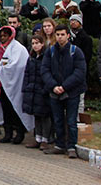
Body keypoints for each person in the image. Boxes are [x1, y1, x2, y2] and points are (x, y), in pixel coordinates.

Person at [41, 24, 87, 158]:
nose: (60, 37)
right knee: (58, 119)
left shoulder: (75, 51)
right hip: (55, 91)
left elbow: (79, 72)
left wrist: (64, 86)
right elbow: (45, 70)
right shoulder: (51, 51)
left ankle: (72, 146)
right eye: (58, 34)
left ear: (68, 35)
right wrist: (54, 86)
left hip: (72, 91)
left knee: (71, 120)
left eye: (62, 34)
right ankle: (59, 144)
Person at [0, 25, 32, 144]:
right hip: (0, 84)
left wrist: (1, 70)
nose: (3, 38)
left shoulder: (18, 48)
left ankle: (19, 133)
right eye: (1, 36)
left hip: (14, 84)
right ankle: (8, 132)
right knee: (5, 109)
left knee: (15, 109)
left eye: (5, 36)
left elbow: (18, 65)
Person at [23, 33, 53, 149]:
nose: (35, 46)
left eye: (37, 43)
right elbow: (27, 73)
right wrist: (26, 87)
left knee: (45, 115)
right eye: (33, 43)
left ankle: (45, 139)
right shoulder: (31, 58)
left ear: (42, 44)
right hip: (33, 90)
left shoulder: (47, 56)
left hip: (43, 90)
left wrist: (46, 88)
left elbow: (49, 73)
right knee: (36, 115)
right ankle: (38, 138)